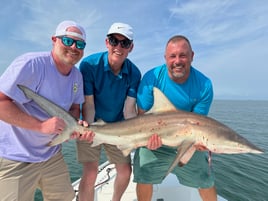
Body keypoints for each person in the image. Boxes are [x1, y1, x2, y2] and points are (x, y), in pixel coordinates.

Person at [0, 20, 92, 201]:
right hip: (16, 157)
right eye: (67, 41)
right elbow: (1, 102)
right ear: (54, 40)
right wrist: (41, 126)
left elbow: (74, 108)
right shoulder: (32, 64)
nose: (74, 47)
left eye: (80, 44)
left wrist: (73, 126)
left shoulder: (77, 76)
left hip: (51, 156)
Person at [133, 35, 218, 201]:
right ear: (165, 58)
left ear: (192, 56)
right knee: (144, 175)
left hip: (188, 143)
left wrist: (200, 142)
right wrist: (149, 138)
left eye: (183, 55)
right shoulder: (152, 78)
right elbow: (142, 117)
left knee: (206, 180)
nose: (177, 61)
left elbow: (197, 125)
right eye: (172, 56)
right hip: (155, 138)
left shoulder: (204, 85)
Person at [76, 22, 141, 201]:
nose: (118, 47)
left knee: (126, 172)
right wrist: (89, 129)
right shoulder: (89, 65)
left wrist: (137, 135)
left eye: (124, 43)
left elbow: (129, 110)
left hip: (119, 128)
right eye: (114, 41)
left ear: (131, 48)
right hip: (92, 123)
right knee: (90, 173)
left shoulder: (135, 73)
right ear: (106, 42)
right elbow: (89, 104)